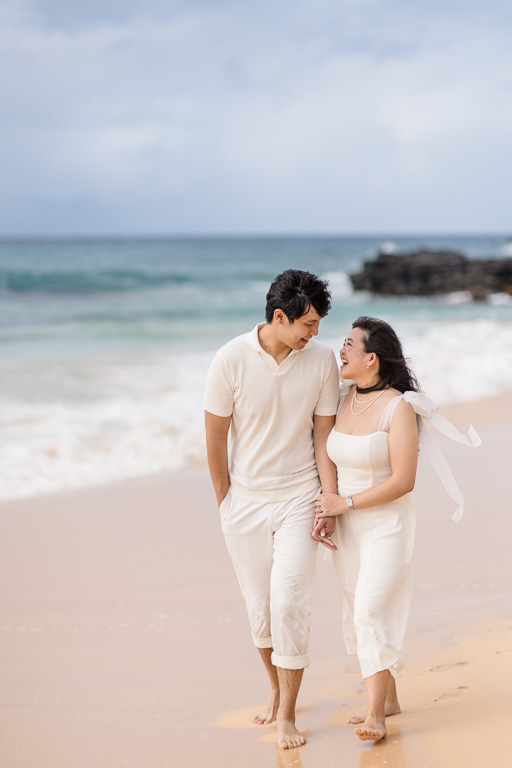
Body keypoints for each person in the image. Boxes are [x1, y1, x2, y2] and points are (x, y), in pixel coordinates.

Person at [313, 315, 480, 743]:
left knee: (371, 609)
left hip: (387, 523)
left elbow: (404, 480)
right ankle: (389, 698)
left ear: (372, 359)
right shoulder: (343, 397)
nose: (342, 350)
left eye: (350, 344)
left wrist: (345, 503)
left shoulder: (398, 407)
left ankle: (375, 714)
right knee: (358, 611)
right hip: (348, 527)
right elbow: (326, 454)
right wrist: (330, 507)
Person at [204, 269, 340, 750]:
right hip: (244, 503)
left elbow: (324, 437)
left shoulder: (322, 361)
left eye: (319, 323)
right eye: (307, 324)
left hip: (300, 496)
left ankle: (286, 714)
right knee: (260, 612)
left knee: (288, 604)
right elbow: (216, 437)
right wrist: (225, 502)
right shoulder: (230, 359)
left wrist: (327, 498)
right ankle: (277, 687)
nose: (315, 334)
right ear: (279, 317)